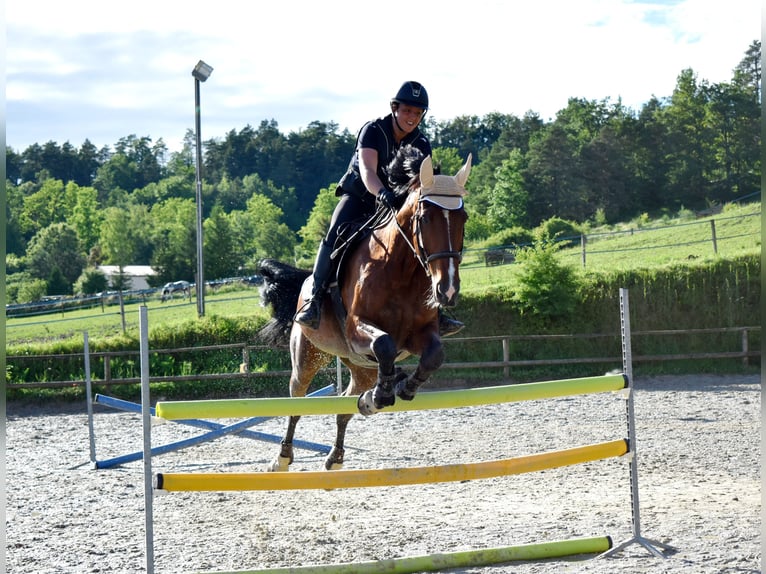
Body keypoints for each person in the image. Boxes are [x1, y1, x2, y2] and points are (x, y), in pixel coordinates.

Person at [294, 81, 465, 337]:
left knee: (421, 242)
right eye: (407, 111)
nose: (412, 118)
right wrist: (382, 192)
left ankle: (435, 311)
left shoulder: (422, 143)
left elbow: (423, 184)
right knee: (335, 232)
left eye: (417, 114)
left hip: (397, 206)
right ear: (395, 109)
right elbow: (367, 171)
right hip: (362, 197)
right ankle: (315, 300)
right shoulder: (373, 130)